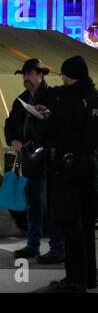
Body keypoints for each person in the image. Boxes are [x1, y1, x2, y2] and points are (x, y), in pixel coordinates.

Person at [35, 56, 98, 292]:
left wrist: (43, 116)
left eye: (63, 75)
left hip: (69, 167)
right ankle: (90, 277)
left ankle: (75, 280)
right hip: (90, 164)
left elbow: (51, 130)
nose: (61, 79)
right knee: (87, 224)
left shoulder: (67, 98)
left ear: (71, 76)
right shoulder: (93, 97)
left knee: (71, 225)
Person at [4, 58, 65, 264]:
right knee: (33, 204)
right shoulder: (20, 100)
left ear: (40, 75)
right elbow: (10, 124)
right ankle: (32, 245)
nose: (26, 78)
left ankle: (57, 247)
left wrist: (48, 116)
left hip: (50, 158)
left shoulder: (54, 96)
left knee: (53, 204)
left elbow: (61, 124)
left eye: (29, 74)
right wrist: (13, 141)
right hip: (30, 159)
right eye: (24, 74)